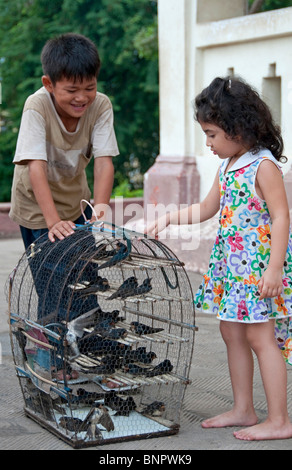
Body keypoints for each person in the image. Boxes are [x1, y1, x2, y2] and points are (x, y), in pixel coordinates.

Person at [146, 76, 292, 441]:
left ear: (238, 128)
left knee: (263, 339)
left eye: (212, 134)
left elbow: (281, 216)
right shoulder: (229, 165)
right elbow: (207, 208)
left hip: (258, 269)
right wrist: (167, 218)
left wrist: (275, 268)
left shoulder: (263, 165)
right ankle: (243, 407)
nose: (208, 143)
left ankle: (279, 419)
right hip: (233, 269)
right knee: (231, 332)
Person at [9, 33, 119, 249]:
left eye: (90, 88)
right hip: (38, 209)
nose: (82, 98)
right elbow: (36, 167)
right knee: (52, 277)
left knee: (86, 274)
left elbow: (104, 163)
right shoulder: (36, 106)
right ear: (49, 84)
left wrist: (100, 216)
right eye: (71, 90)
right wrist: (53, 222)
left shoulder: (101, 106)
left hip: (76, 203)